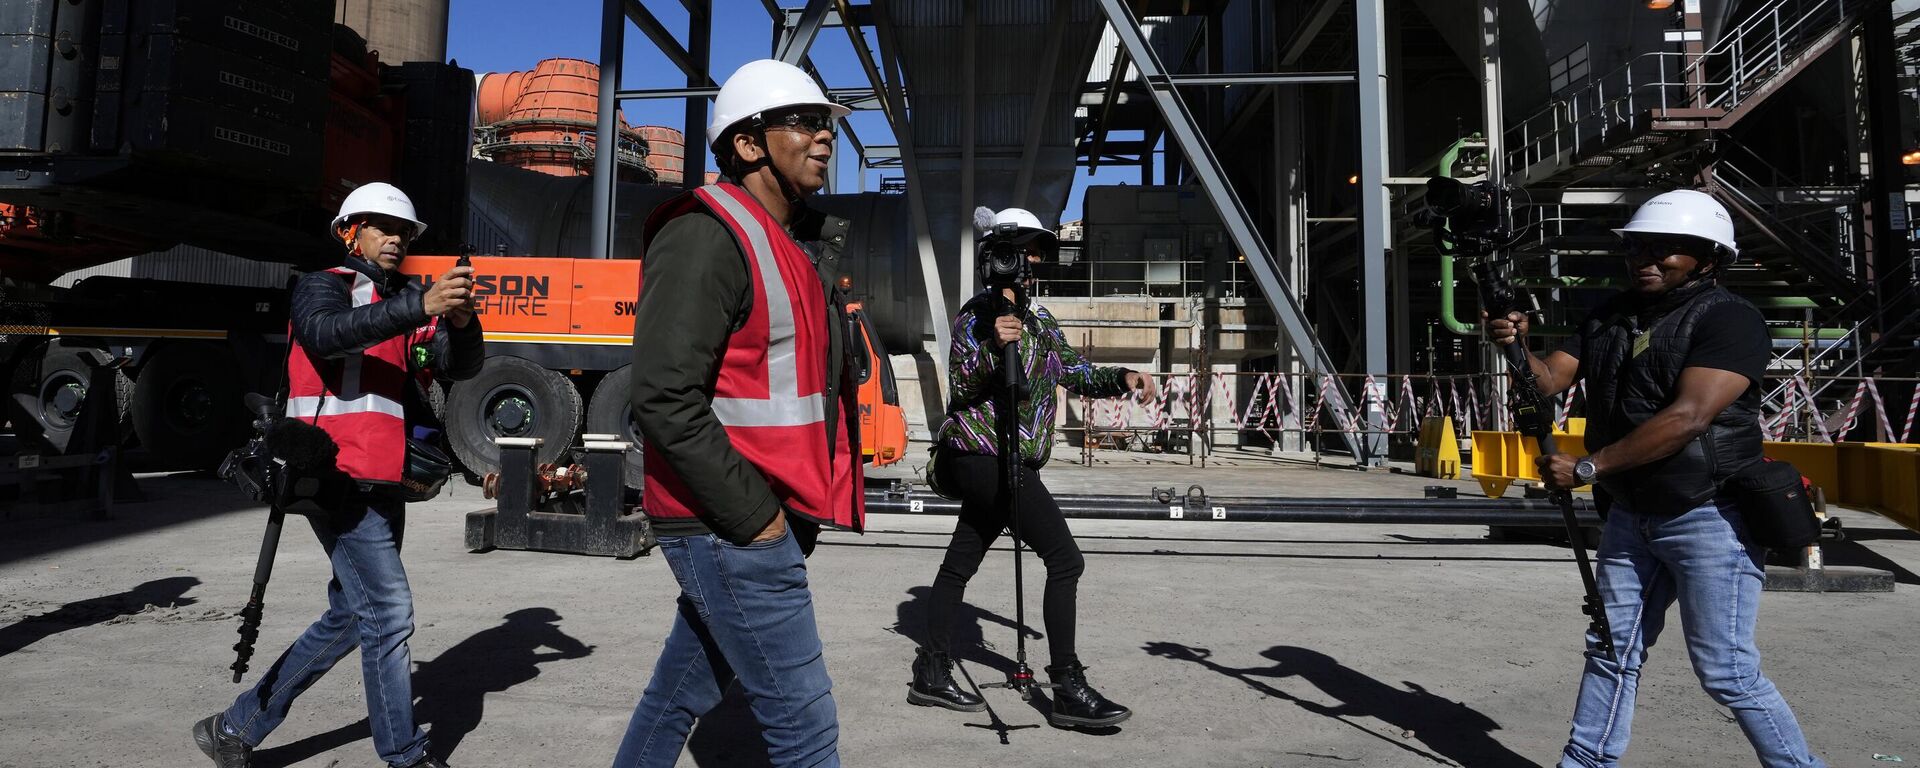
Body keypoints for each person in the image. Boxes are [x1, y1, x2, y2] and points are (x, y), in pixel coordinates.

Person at [1485, 189, 1826, 768]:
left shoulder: (1730, 319)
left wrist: (1589, 468)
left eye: (1669, 249)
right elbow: (1545, 382)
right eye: (1640, 247)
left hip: (1710, 516)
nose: (1648, 258)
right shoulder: (1609, 315)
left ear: (1709, 258)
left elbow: (1689, 416)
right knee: (1611, 651)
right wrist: (1516, 346)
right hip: (1629, 516)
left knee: (1728, 672)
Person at [612, 59, 864, 768]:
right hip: (731, 524)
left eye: (828, 125)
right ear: (749, 144)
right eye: (805, 122)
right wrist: (757, 517)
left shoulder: (789, 243)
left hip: (761, 514)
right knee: (806, 730)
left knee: (677, 697)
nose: (824, 138)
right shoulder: (705, 233)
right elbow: (662, 395)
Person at [192, 182, 483, 768]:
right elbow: (327, 334)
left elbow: (458, 365)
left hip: (383, 478)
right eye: (382, 227)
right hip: (332, 475)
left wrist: (459, 320)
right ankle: (403, 753)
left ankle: (234, 728)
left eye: (404, 232)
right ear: (351, 231)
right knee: (391, 610)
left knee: (354, 614)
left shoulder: (402, 301)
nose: (397, 239)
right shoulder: (323, 285)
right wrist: (418, 307)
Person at [908, 206, 1158, 729]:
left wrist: (1123, 376)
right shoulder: (976, 315)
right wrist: (994, 346)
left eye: (1037, 252)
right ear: (1004, 257)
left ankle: (930, 674)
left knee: (959, 564)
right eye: (1027, 251)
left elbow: (1071, 369)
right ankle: (1067, 687)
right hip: (981, 455)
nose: (1035, 260)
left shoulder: (1039, 318)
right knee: (1066, 561)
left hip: (1011, 457)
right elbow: (963, 385)